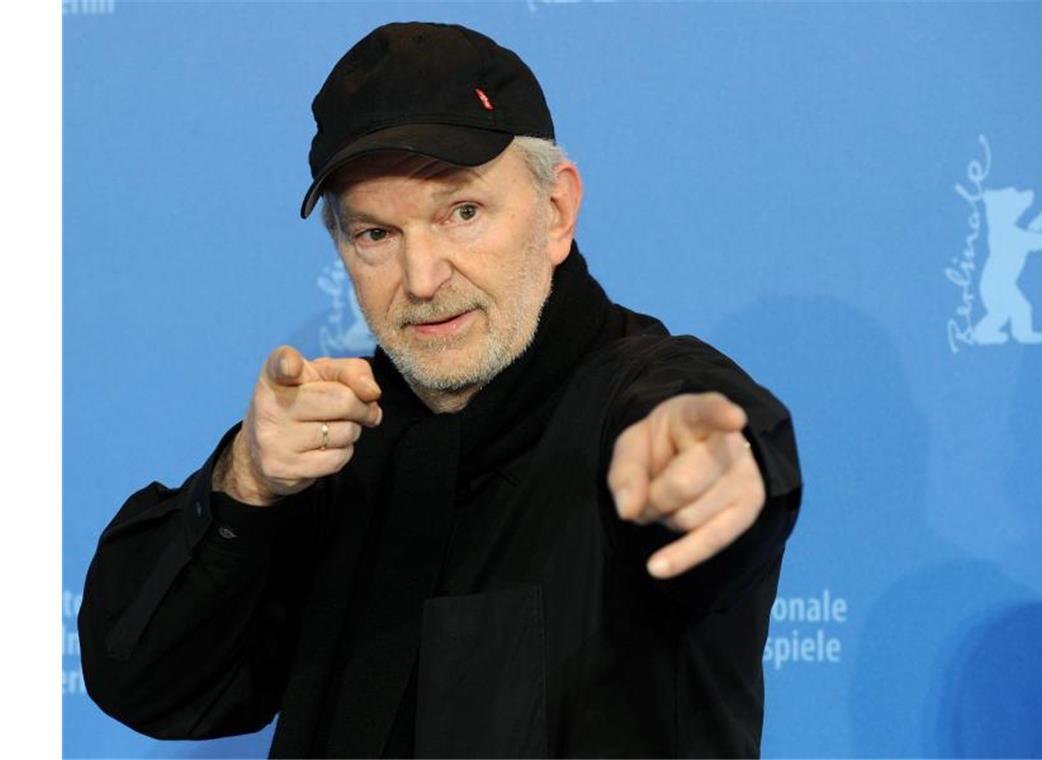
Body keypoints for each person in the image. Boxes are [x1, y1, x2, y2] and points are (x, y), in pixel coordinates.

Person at [79, 21, 802, 758]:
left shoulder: (644, 396)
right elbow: (145, 682)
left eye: (463, 213)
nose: (422, 279)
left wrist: (714, 468)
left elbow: (709, 439)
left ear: (556, 211)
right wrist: (246, 484)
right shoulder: (334, 448)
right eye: (376, 235)